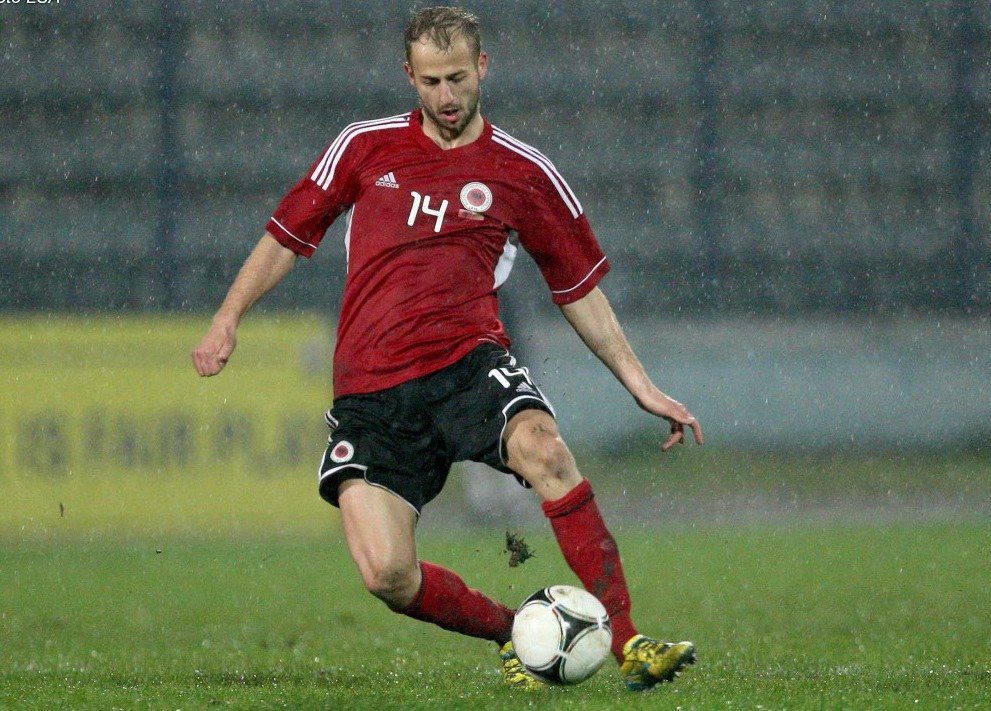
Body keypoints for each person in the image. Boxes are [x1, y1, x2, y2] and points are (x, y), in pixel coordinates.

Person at [192, 6, 704, 692]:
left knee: (547, 452)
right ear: (409, 76)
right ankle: (516, 633)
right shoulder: (364, 146)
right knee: (386, 573)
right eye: (431, 81)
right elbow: (288, 235)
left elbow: (578, 289)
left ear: (482, 67)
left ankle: (630, 640)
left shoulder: (523, 172)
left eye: (458, 78)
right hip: (371, 391)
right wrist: (227, 318)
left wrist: (639, 384)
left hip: (468, 367)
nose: (447, 95)